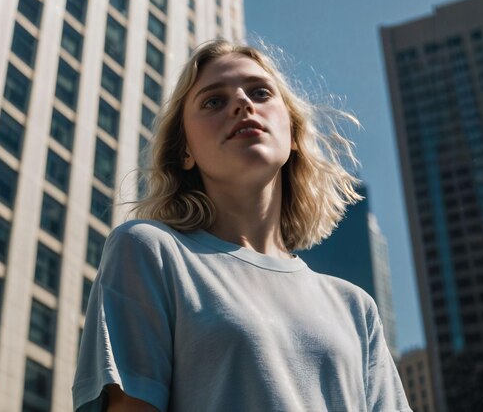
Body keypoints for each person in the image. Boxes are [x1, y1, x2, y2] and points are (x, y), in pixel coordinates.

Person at [72, 39, 411, 412]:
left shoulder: (356, 308)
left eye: (261, 92)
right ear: (185, 151)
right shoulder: (148, 252)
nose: (242, 104)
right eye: (214, 101)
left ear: (294, 133)